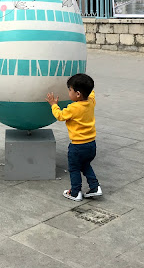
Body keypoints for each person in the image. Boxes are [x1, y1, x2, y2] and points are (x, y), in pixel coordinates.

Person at [46, 73, 102, 202]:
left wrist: (53, 104)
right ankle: (95, 187)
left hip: (77, 146)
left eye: (70, 90)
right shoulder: (91, 102)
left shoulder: (73, 108)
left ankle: (75, 192)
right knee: (86, 165)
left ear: (77, 94)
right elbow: (91, 93)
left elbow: (60, 116)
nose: (68, 92)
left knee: (74, 169)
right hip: (91, 145)